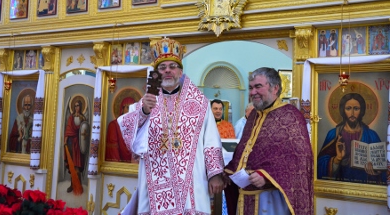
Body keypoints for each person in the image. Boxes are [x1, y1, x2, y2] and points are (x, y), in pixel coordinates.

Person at [118, 37, 225, 214]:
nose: (167, 71)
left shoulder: (200, 103)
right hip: (155, 177)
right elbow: (130, 135)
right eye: (162, 67)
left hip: (192, 179)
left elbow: (211, 140)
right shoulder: (147, 102)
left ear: (181, 71)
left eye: (172, 67)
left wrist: (215, 173)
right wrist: (144, 111)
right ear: (157, 73)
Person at [224, 67, 313, 215]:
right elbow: (244, 151)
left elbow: (300, 160)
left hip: (273, 197)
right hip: (245, 194)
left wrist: (266, 176)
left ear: (275, 88)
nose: (253, 92)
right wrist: (229, 172)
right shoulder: (254, 115)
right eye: (251, 88)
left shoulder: (290, 115)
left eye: (258, 87)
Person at [317, 92, 386, 184]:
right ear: (343, 110)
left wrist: (376, 170)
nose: (352, 113)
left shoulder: (371, 135)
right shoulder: (333, 134)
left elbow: (383, 168)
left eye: (356, 109)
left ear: (361, 111)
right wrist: (337, 159)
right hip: (339, 185)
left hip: (364, 187)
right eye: (348, 108)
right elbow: (319, 165)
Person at [64, 99, 87, 194]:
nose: (77, 107)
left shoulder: (83, 118)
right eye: (75, 105)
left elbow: (84, 130)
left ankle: (78, 184)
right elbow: (68, 129)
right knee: (72, 164)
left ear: (81, 107)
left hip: (79, 143)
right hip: (70, 142)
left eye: (78, 105)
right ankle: (72, 185)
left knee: (78, 165)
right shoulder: (71, 117)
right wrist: (65, 141)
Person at [105, 97, 134, 162]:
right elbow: (113, 150)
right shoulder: (113, 125)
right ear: (122, 109)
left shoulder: (136, 126)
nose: (130, 111)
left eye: (133, 108)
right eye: (128, 108)